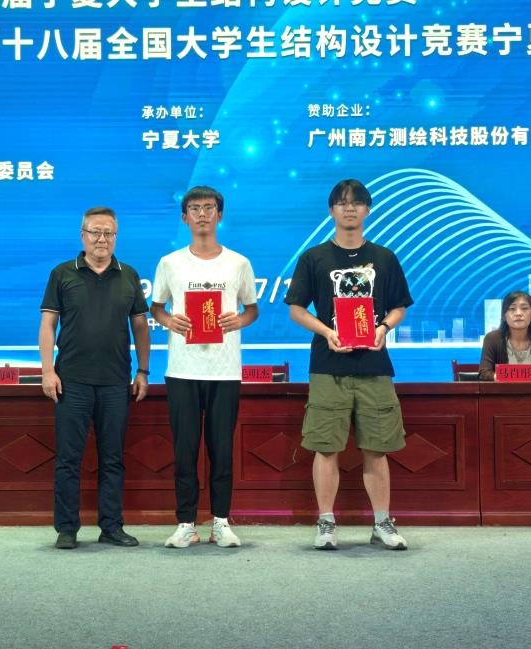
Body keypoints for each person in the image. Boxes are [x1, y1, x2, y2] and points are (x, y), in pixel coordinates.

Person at [284, 179, 413, 551]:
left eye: (357, 202)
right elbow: (296, 309)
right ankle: (326, 522)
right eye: (342, 202)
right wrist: (327, 332)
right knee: (326, 447)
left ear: (367, 210)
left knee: (377, 448)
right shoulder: (314, 258)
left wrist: (383, 328)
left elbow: (399, 306)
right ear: (331, 211)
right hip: (328, 365)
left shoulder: (384, 258)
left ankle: (382, 522)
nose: (350, 208)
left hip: (374, 364)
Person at [150, 185, 259, 548]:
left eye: (208, 207)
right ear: (184, 217)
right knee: (184, 450)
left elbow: (251, 309)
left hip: (224, 371)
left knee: (221, 450)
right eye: (194, 208)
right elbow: (157, 307)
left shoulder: (238, 263)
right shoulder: (170, 262)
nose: (201, 214)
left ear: (219, 215)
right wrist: (170, 321)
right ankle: (186, 523)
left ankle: (220, 522)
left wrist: (238, 321)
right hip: (182, 369)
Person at [39, 206, 151, 550]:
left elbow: (140, 326)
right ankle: (67, 528)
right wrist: (47, 370)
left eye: (108, 233)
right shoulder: (62, 273)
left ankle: (111, 527)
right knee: (69, 459)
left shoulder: (128, 275)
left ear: (116, 237)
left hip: (116, 382)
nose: (102, 239)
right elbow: (48, 324)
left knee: (113, 458)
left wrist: (143, 371)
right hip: (71, 381)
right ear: (83, 235)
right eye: (95, 232)